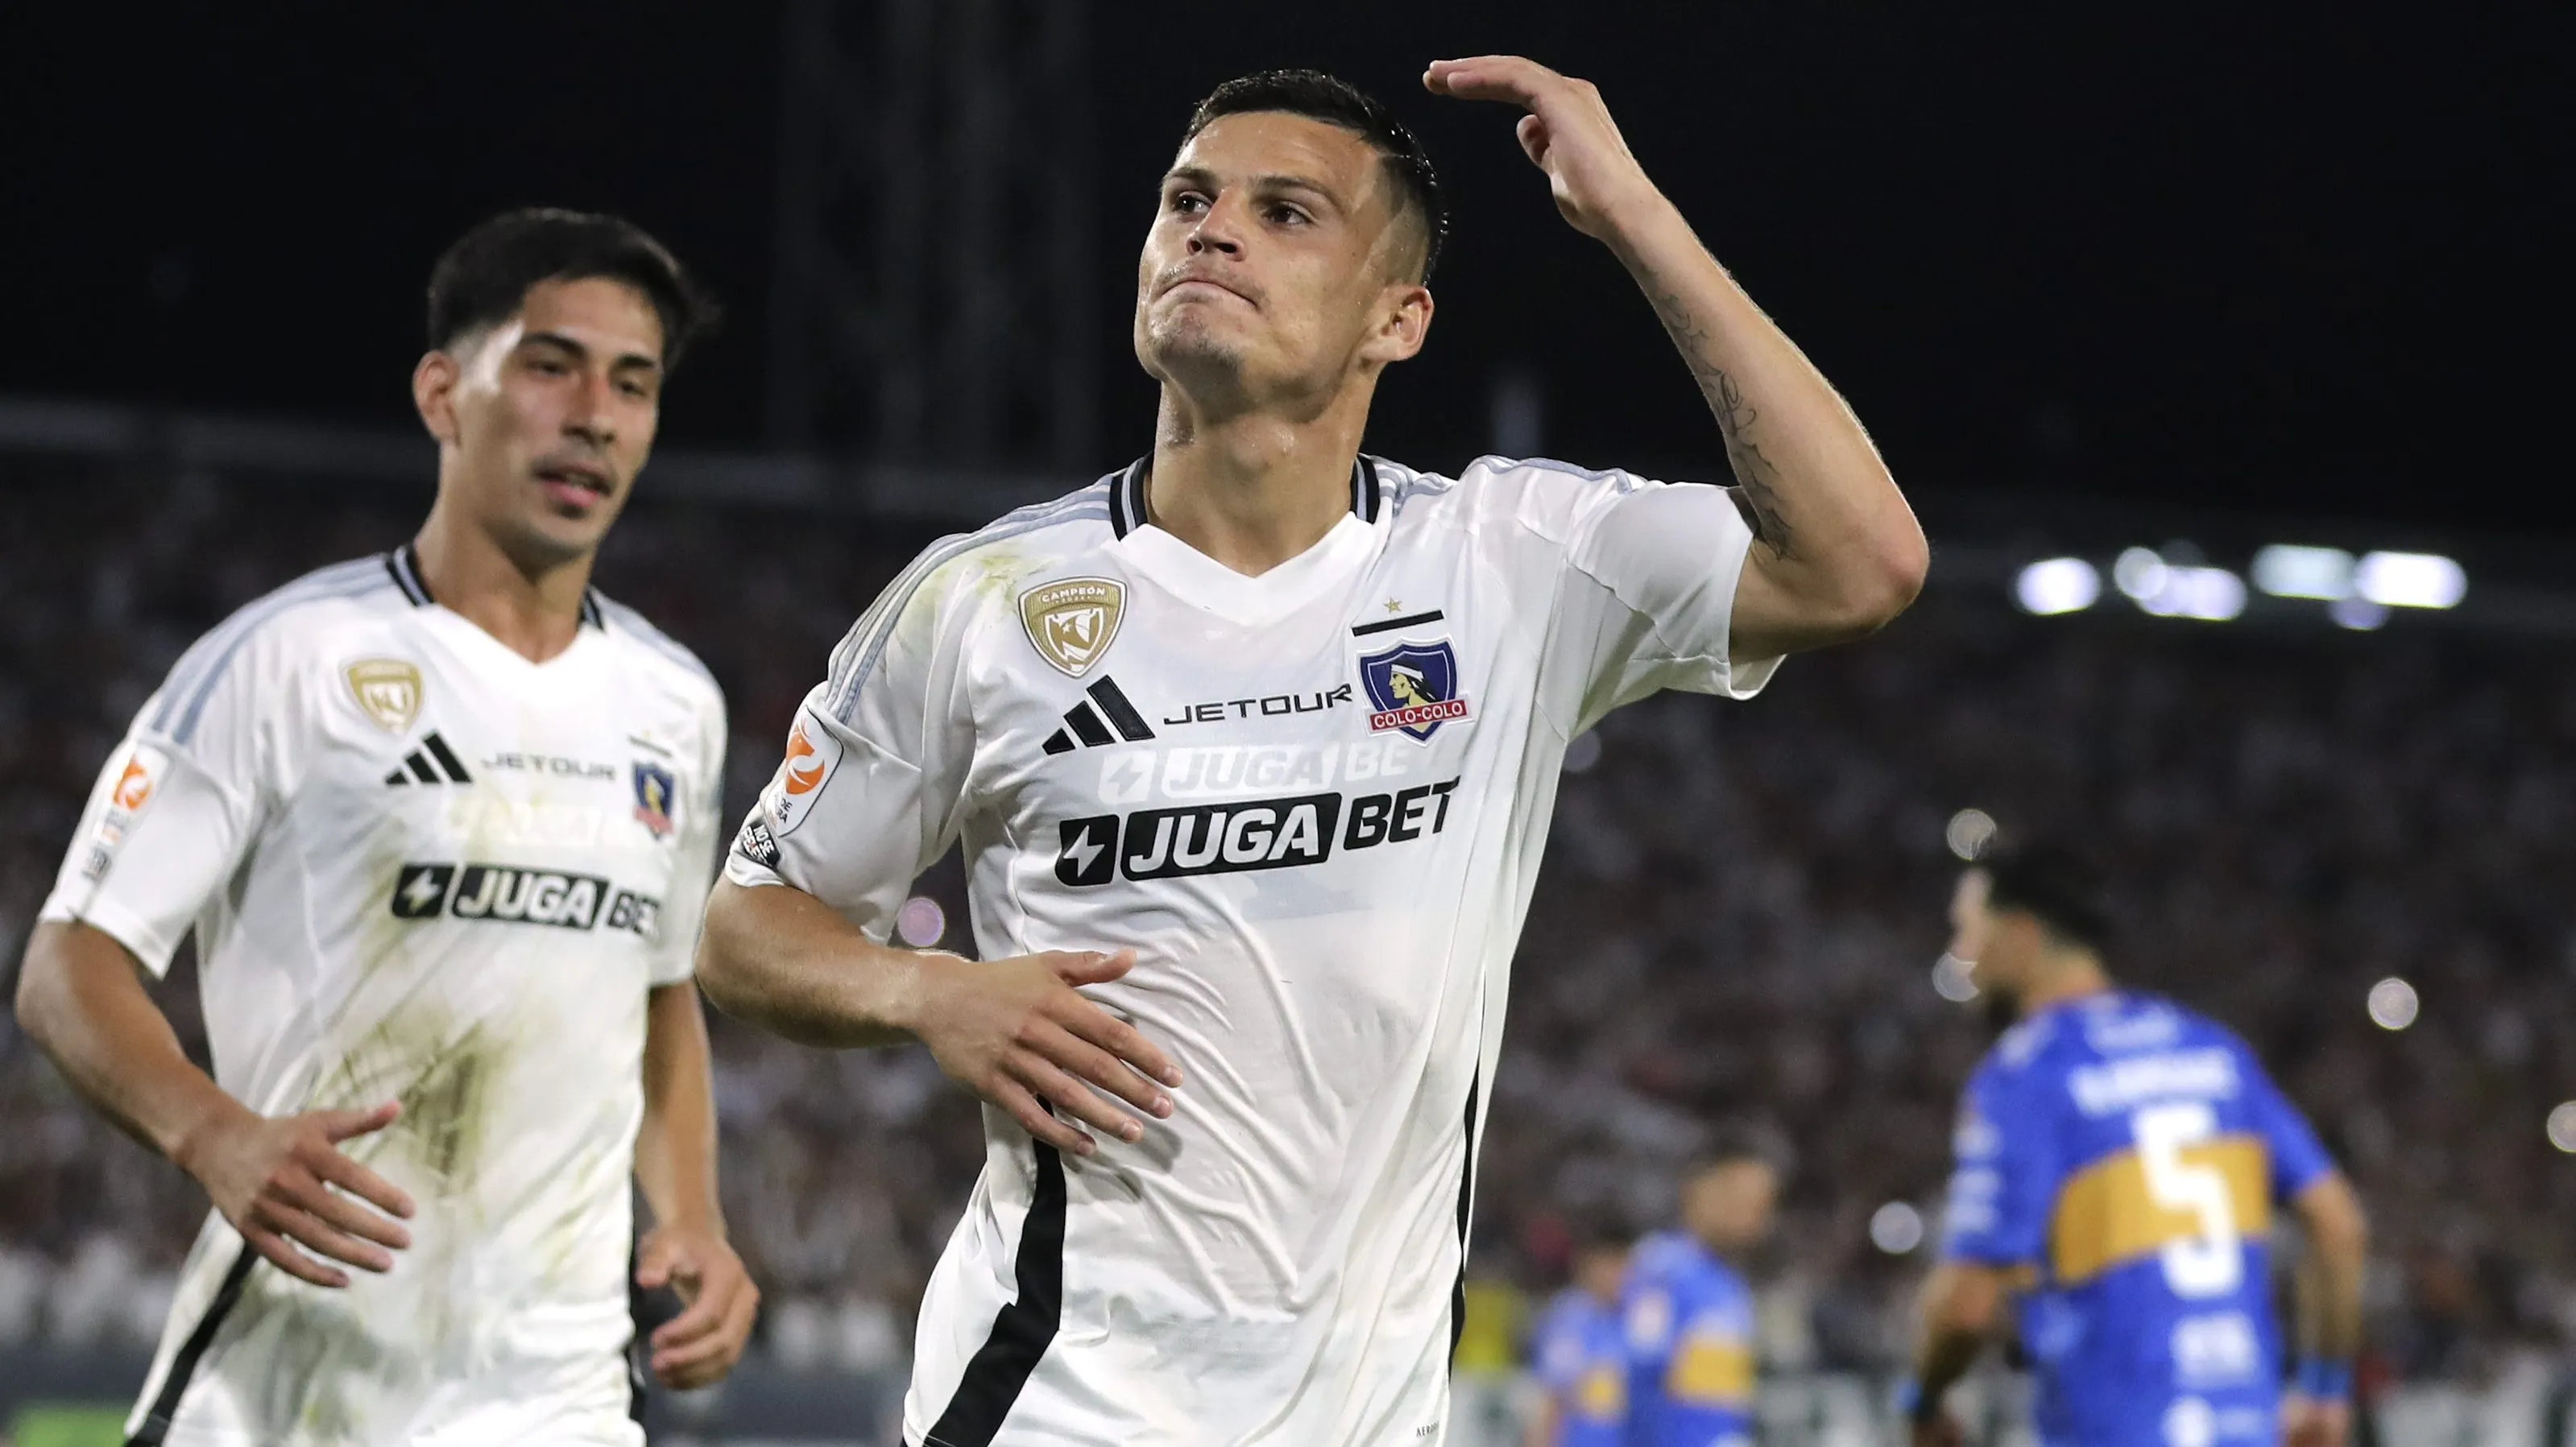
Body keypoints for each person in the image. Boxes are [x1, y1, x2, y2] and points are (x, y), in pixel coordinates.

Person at [696, 58, 1925, 1445]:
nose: (1213, 230)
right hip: (1050, 1408)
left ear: (1397, 317)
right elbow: (745, 924)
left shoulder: (1507, 563)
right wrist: (927, 990)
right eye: (1187, 200)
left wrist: (1635, 218)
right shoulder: (984, 598)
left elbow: (1859, 564)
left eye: (1284, 213)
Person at [14, 209, 758, 1445]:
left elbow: (659, 987)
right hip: (294, 1392)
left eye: (633, 384)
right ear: (442, 394)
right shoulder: (285, 660)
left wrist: (693, 1216)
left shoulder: (675, 702)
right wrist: (215, 1134)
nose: (595, 415)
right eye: (551, 365)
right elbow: (66, 965)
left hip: (560, 1398)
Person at [1903, 844, 2369, 1447]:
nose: (1960, 954)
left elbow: (1965, 1305)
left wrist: (1923, 1401)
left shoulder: (2029, 1075)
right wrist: (2325, 1389)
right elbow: (2337, 1224)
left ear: (2020, 934)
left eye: (1968, 931)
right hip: (2244, 1428)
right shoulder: (2211, 1050)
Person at [1620, 1149, 1779, 1447]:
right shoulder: (1662, 1268)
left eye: (1763, 1205)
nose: (1755, 1215)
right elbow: (1643, 1371)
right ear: (1698, 1191)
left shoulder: (1730, 1282)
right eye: (1740, 1199)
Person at [1526, 1228, 1634, 1447]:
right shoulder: (1568, 1318)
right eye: (1605, 1265)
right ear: (1587, 1266)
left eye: (1620, 1265)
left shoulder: (1639, 1318)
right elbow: (1552, 1399)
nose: (1614, 1276)